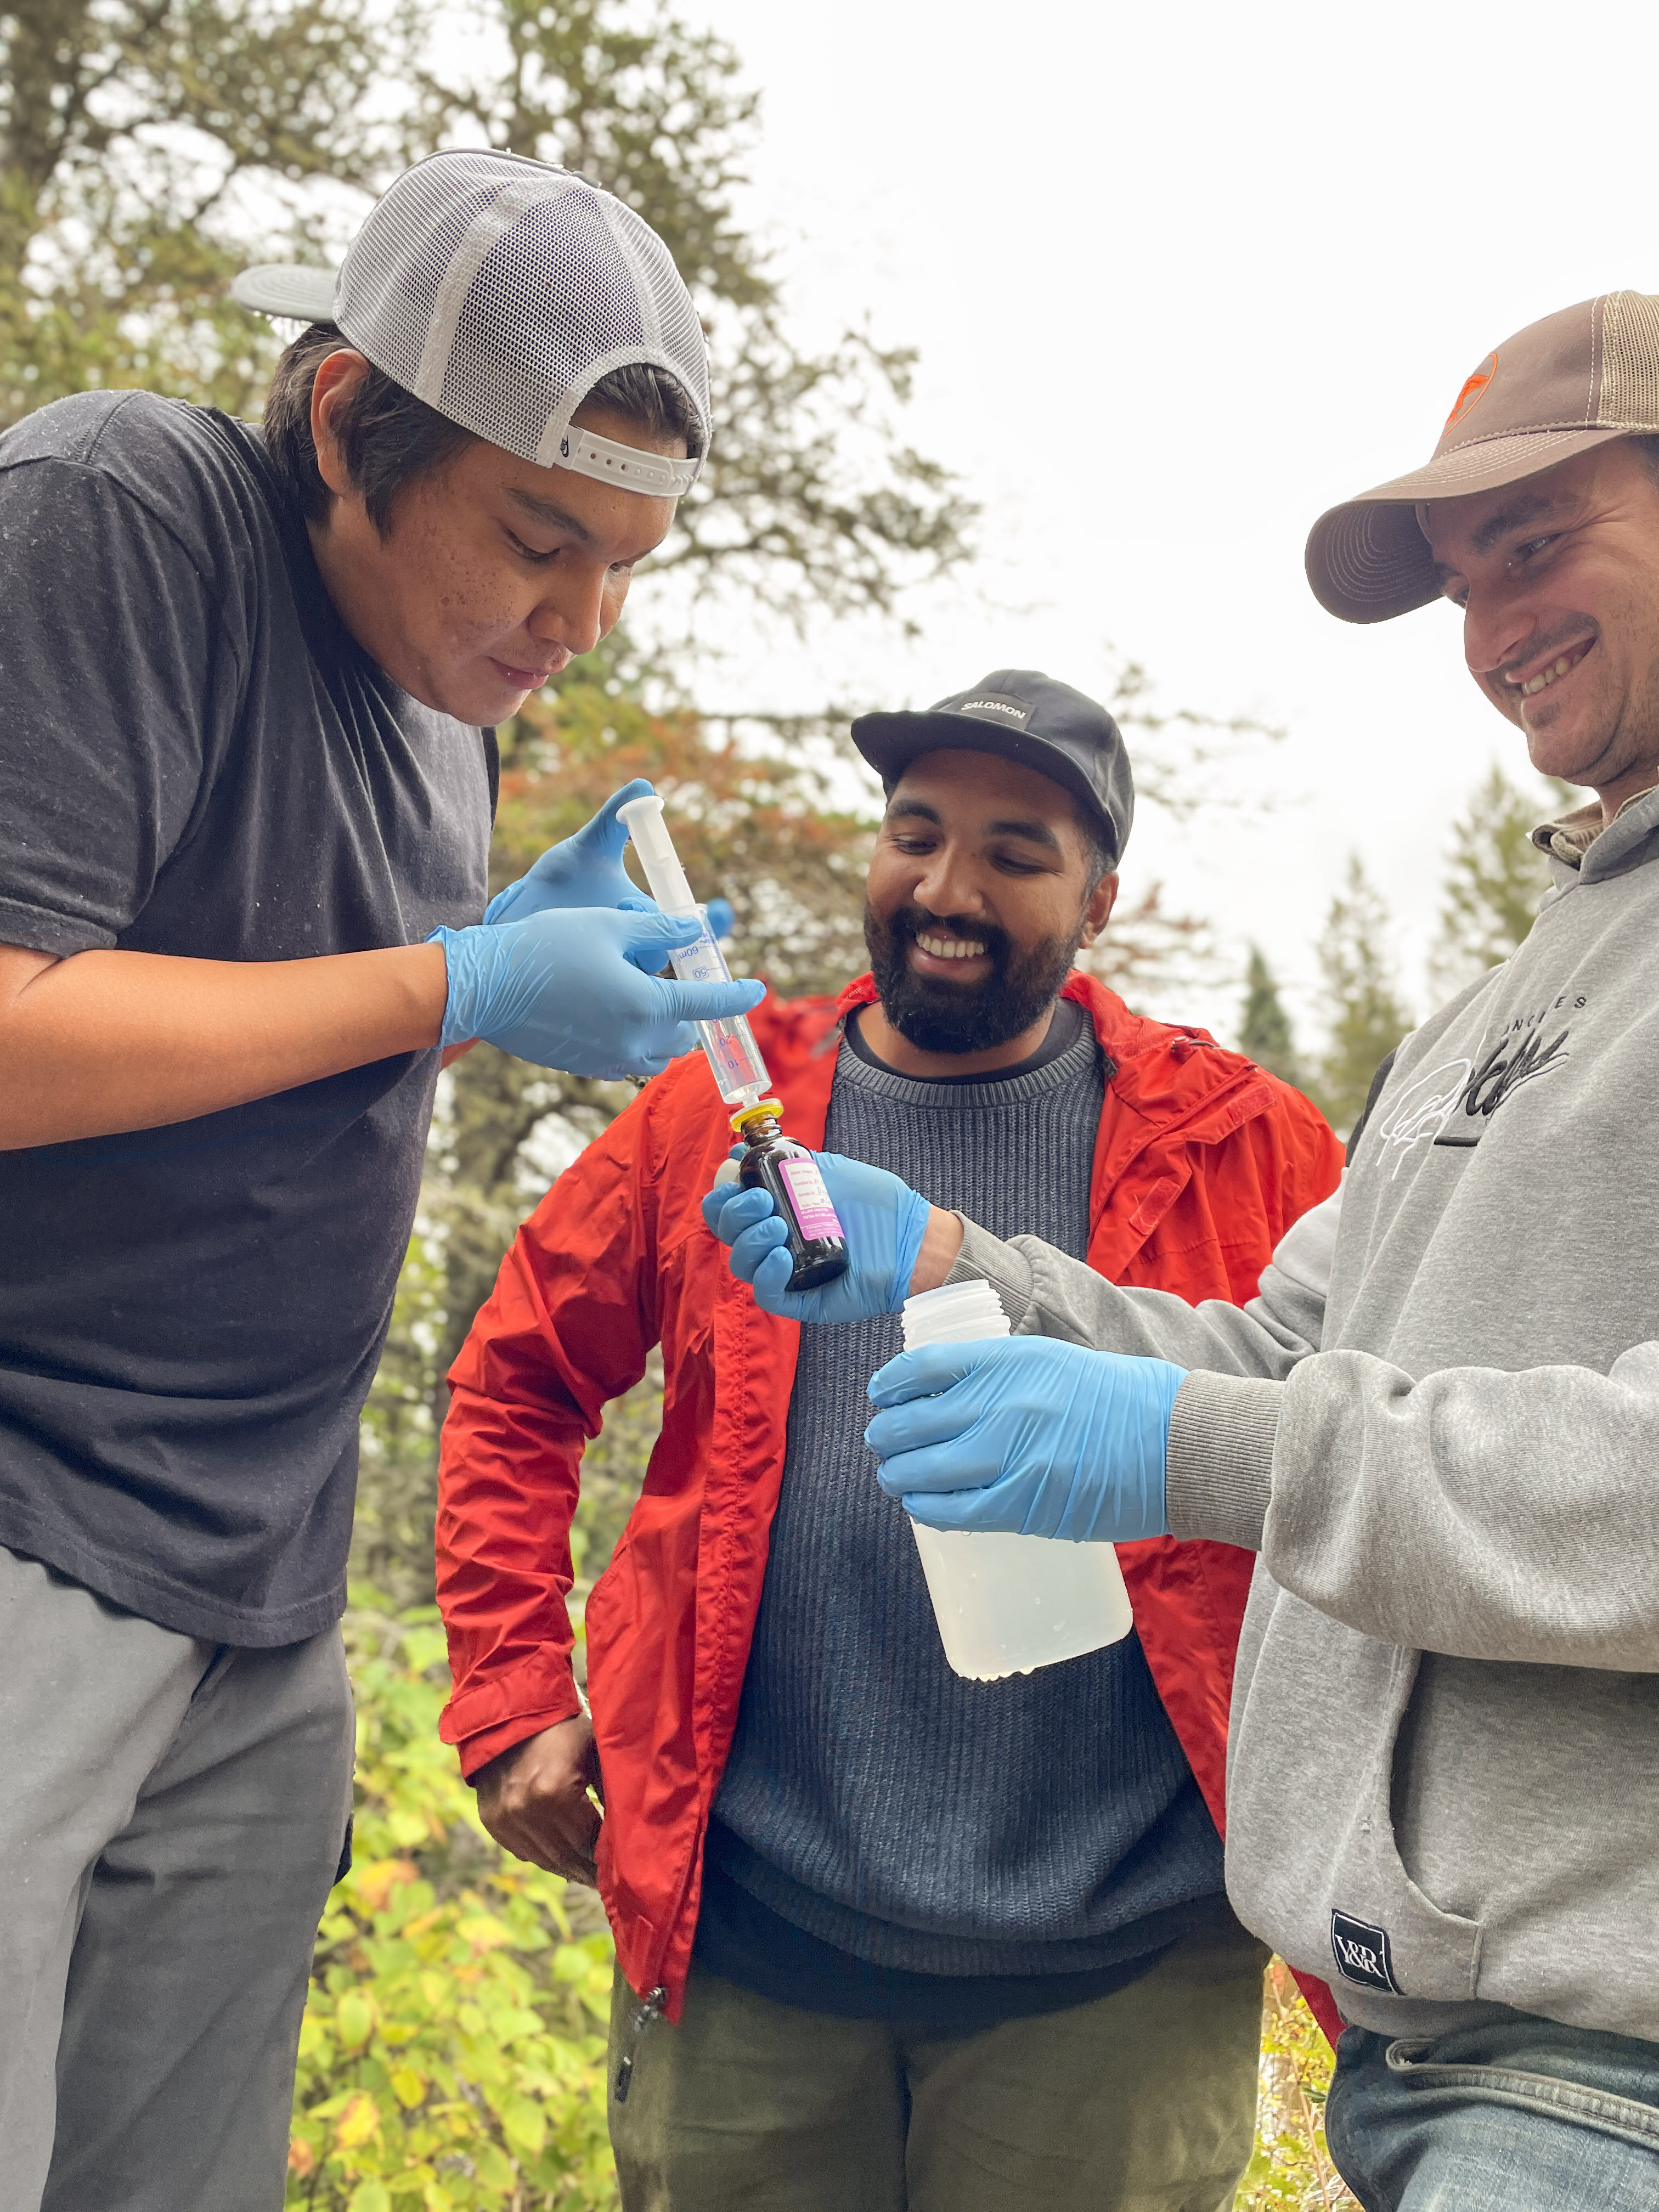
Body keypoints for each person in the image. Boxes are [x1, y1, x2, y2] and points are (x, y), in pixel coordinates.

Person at [788, 297, 1659, 2210]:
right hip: (1446, 2070)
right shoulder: (1502, 1003)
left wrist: (1181, 1458)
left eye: (1538, 542)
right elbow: (1280, 1349)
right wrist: (959, 1261)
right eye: (1458, 583)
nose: (1494, 629)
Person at [0, 149, 761, 2211]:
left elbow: (279, 1003)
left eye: (625, 562)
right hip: (29, 1518)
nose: (578, 622)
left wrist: (491, 956)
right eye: (537, 538)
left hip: (263, 1592)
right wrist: (460, 974)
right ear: (345, 420)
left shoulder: (444, 710)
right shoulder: (122, 514)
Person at [437, 670, 1343, 2212]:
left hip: (1117, 1974)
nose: (946, 888)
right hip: (751, 1955)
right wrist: (513, 1691)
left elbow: (1349, 1444)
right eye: (914, 834)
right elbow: (517, 1382)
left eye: (1014, 851)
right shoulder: (720, 1115)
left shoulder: (1241, 1143)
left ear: (1101, 899)